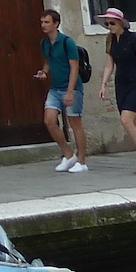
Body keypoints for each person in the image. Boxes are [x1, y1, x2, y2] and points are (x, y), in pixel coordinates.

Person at [98, 7, 136, 173]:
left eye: (112, 23)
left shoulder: (134, 38)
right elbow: (110, 64)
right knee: (133, 122)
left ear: (121, 23)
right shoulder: (110, 41)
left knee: (126, 120)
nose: (109, 26)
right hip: (121, 83)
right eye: (107, 23)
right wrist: (104, 84)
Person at [36, 9, 89, 173]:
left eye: (47, 22)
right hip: (55, 88)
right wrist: (44, 72)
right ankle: (68, 154)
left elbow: (74, 68)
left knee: (75, 124)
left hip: (71, 88)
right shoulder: (44, 43)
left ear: (56, 24)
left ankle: (82, 161)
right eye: (42, 22)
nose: (43, 25)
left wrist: (70, 91)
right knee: (49, 120)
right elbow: (48, 61)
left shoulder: (68, 42)